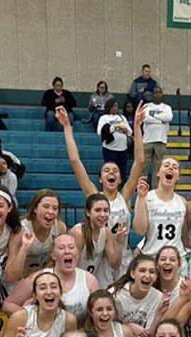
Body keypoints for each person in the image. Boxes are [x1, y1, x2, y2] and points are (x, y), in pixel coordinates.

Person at [58, 103, 145, 282]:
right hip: (98, 259)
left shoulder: (126, 195)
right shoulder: (94, 196)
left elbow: (139, 162)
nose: (111, 172)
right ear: (100, 179)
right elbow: (75, 162)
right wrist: (67, 127)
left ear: (120, 179)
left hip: (122, 254)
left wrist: (136, 127)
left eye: (115, 171)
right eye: (106, 170)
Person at [5, 234, 98, 323]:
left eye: (71, 247)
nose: (67, 251)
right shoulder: (37, 278)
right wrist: (31, 316)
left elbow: (97, 311)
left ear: (77, 254)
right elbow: (8, 305)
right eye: (61, 248)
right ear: (53, 255)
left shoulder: (90, 280)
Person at [4, 190, 66, 286]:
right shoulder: (20, 230)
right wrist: (24, 249)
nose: (51, 211)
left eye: (55, 208)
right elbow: (11, 276)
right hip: (15, 282)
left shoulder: (60, 228)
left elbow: (59, 262)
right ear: (35, 209)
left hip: (42, 280)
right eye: (46, 206)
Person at [68, 193, 127, 288]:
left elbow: (115, 265)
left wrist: (119, 243)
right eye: (98, 210)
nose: (103, 214)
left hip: (92, 283)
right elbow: (69, 267)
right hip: (75, 283)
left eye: (106, 210)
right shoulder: (78, 233)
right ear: (88, 212)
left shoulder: (107, 232)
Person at [133, 158, 186, 257]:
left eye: (175, 167)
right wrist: (141, 198)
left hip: (176, 258)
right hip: (152, 255)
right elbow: (140, 230)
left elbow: (185, 235)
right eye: (166, 165)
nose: (170, 168)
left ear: (178, 176)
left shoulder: (183, 202)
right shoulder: (146, 197)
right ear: (158, 173)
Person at [110, 255, 164, 337]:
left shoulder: (158, 297)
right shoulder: (115, 294)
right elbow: (106, 325)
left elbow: (148, 334)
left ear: (156, 276)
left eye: (152, 272)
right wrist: (128, 327)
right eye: (142, 270)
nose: (147, 275)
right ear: (132, 273)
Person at [142, 87, 173, 185]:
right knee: (144, 166)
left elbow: (168, 117)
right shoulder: (146, 106)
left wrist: (153, 117)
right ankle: (141, 187)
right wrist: (161, 120)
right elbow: (145, 118)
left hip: (161, 140)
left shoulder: (167, 107)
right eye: (155, 93)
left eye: (160, 93)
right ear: (152, 94)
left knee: (158, 167)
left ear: (162, 94)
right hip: (147, 140)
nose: (157, 94)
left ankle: (155, 189)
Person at [97, 99, 132, 179]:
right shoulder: (104, 118)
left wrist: (125, 130)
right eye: (114, 106)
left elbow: (130, 131)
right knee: (110, 171)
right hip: (110, 149)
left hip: (123, 149)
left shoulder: (122, 117)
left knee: (122, 171)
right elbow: (100, 131)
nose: (116, 108)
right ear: (109, 107)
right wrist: (115, 127)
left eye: (117, 106)